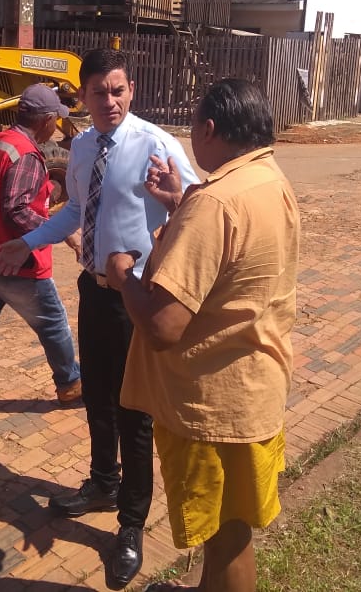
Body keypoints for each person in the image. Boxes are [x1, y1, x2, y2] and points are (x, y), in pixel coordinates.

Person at [0, 48, 199, 591]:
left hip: (137, 294)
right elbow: (71, 211)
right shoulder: (81, 146)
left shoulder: (155, 142)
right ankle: (103, 483)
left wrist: (177, 199)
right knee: (98, 396)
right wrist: (27, 240)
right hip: (93, 288)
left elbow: (202, 202)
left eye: (118, 90)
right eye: (98, 91)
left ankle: (130, 525)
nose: (109, 100)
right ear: (80, 96)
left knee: (136, 410)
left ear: (130, 91)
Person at [105, 78, 300, 592]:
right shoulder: (267, 179)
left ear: (209, 129)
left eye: (192, 126)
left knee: (225, 534)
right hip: (254, 386)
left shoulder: (213, 205)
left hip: (213, 404)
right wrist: (179, 203)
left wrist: (122, 273)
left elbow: (164, 326)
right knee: (229, 530)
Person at [0, 83, 83, 441]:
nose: (57, 126)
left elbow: (1, 194)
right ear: (46, 119)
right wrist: (62, 232)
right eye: (56, 120)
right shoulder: (26, 153)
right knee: (53, 324)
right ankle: (70, 384)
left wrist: (47, 192)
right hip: (13, 261)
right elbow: (17, 208)